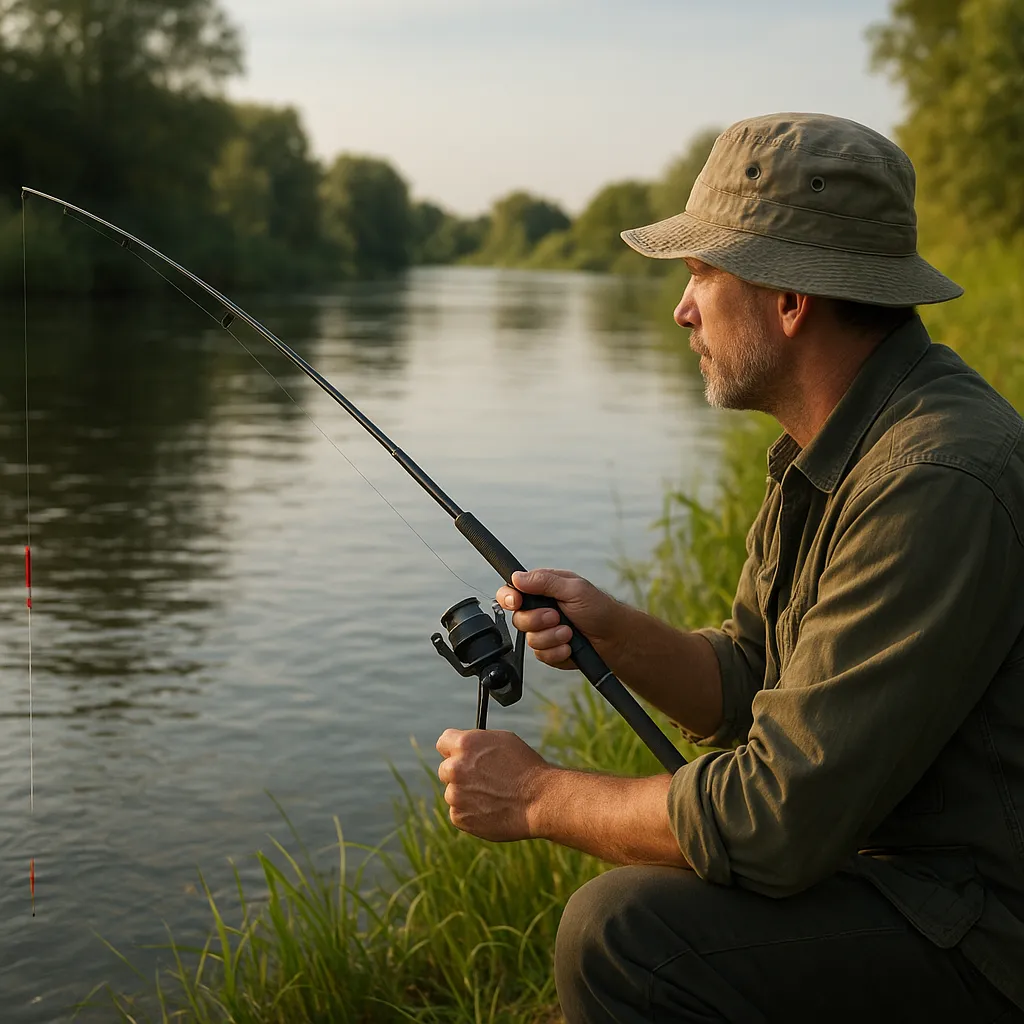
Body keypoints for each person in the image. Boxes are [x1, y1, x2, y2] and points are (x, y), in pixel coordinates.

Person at [434, 113, 1024, 1023]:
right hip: (893, 877)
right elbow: (751, 679)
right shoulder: (835, 442)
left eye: (702, 272)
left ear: (790, 300)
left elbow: (772, 819)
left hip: (983, 935)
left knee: (623, 934)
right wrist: (616, 631)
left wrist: (537, 795)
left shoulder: (932, 479)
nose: (681, 307)